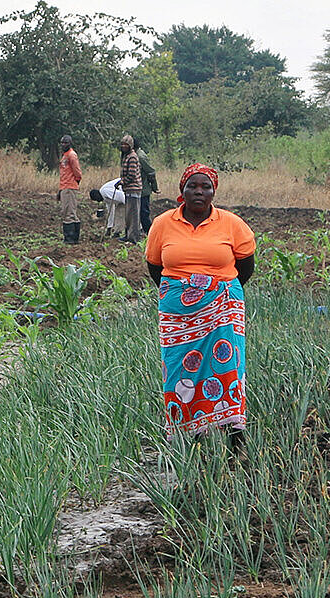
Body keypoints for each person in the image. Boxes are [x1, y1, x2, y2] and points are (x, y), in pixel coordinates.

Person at [146, 163, 256, 450]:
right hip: (178, 312)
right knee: (179, 368)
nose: (198, 191)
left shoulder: (231, 224)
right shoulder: (162, 224)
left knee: (226, 365)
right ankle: (188, 434)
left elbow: (245, 268)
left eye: (205, 186)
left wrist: (213, 291)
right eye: (192, 186)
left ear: (213, 192)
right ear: (182, 190)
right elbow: (155, 268)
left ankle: (232, 434)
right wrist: (185, 293)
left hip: (222, 305)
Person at [57, 135, 83, 244]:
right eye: (62, 143)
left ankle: (70, 239)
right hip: (64, 186)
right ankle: (73, 238)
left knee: (69, 213)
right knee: (68, 212)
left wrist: (75, 182)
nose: (63, 145)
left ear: (70, 143)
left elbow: (77, 172)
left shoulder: (72, 155)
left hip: (70, 187)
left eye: (66, 143)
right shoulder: (64, 156)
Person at [118, 136, 144, 243]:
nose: (124, 146)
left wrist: (122, 182)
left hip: (134, 189)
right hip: (128, 190)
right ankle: (128, 235)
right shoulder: (126, 156)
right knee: (128, 214)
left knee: (133, 215)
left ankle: (133, 238)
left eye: (126, 144)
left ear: (130, 145)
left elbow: (132, 174)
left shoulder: (132, 157)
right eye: (122, 144)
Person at [134, 137, 158, 229]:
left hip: (143, 190)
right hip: (138, 189)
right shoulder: (135, 155)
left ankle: (150, 234)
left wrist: (155, 187)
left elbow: (151, 172)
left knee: (143, 214)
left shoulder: (140, 157)